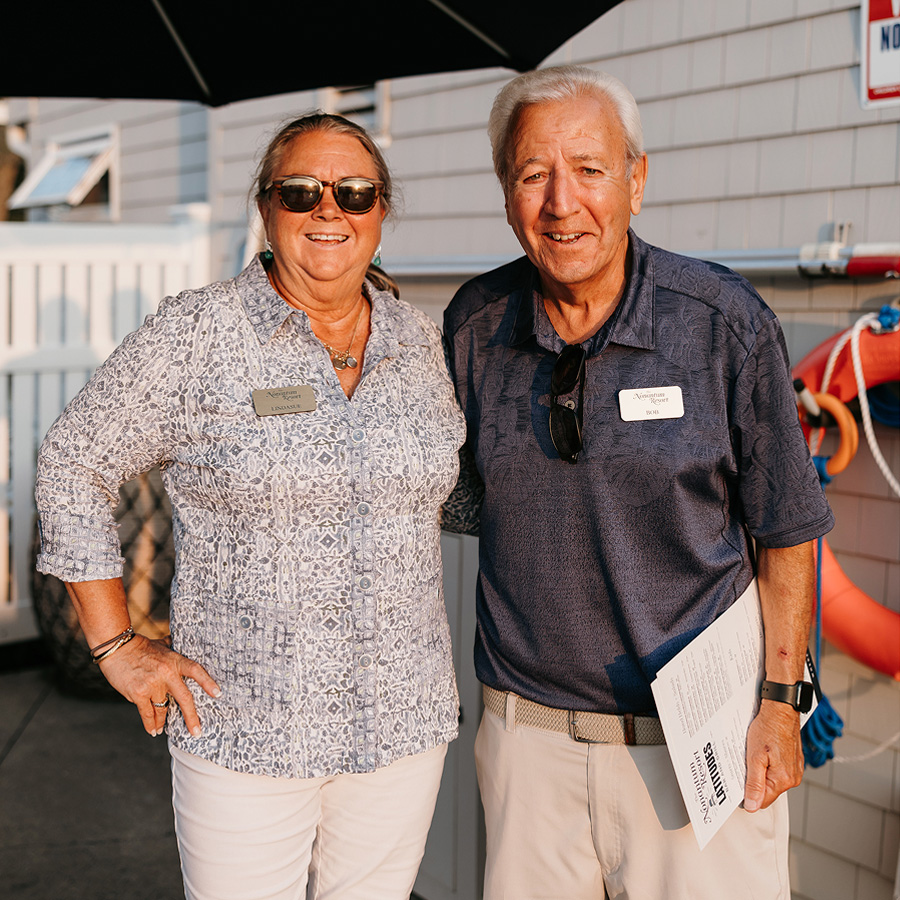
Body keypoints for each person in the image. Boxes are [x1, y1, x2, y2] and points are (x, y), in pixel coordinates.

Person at [35, 112, 467, 900]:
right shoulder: (199, 334)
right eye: (301, 192)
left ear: (381, 213)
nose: (329, 209)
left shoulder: (423, 343)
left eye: (356, 192)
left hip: (401, 727)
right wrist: (115, 646)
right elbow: (73, 462)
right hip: (245, 731)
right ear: (266, 210)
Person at [442, 66, 834, 899]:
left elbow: (788, 527)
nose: (561, 202)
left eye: (588, 169)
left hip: (700, 744)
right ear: (506, 194)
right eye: (532, 174)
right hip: (528, 744)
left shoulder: (722, 322)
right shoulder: (475, 326)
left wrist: (779, 703)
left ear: (636, 180)